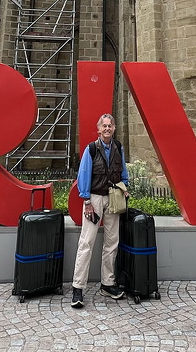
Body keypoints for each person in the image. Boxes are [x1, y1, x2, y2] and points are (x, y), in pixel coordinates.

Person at [70, 113, 129, 308]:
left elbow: (123, 173)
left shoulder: (118, 147)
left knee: (112, 242)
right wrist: (86, 201)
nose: (107, 129)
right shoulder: (92, 149)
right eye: (104, 126)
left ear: (113, 128)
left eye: (110, 126)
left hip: (113, 198)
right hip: (94, 199)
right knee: (87, 242)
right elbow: (84, 174)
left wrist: (124, 189)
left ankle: (108, 283)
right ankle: (78, 288)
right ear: (99, 129)